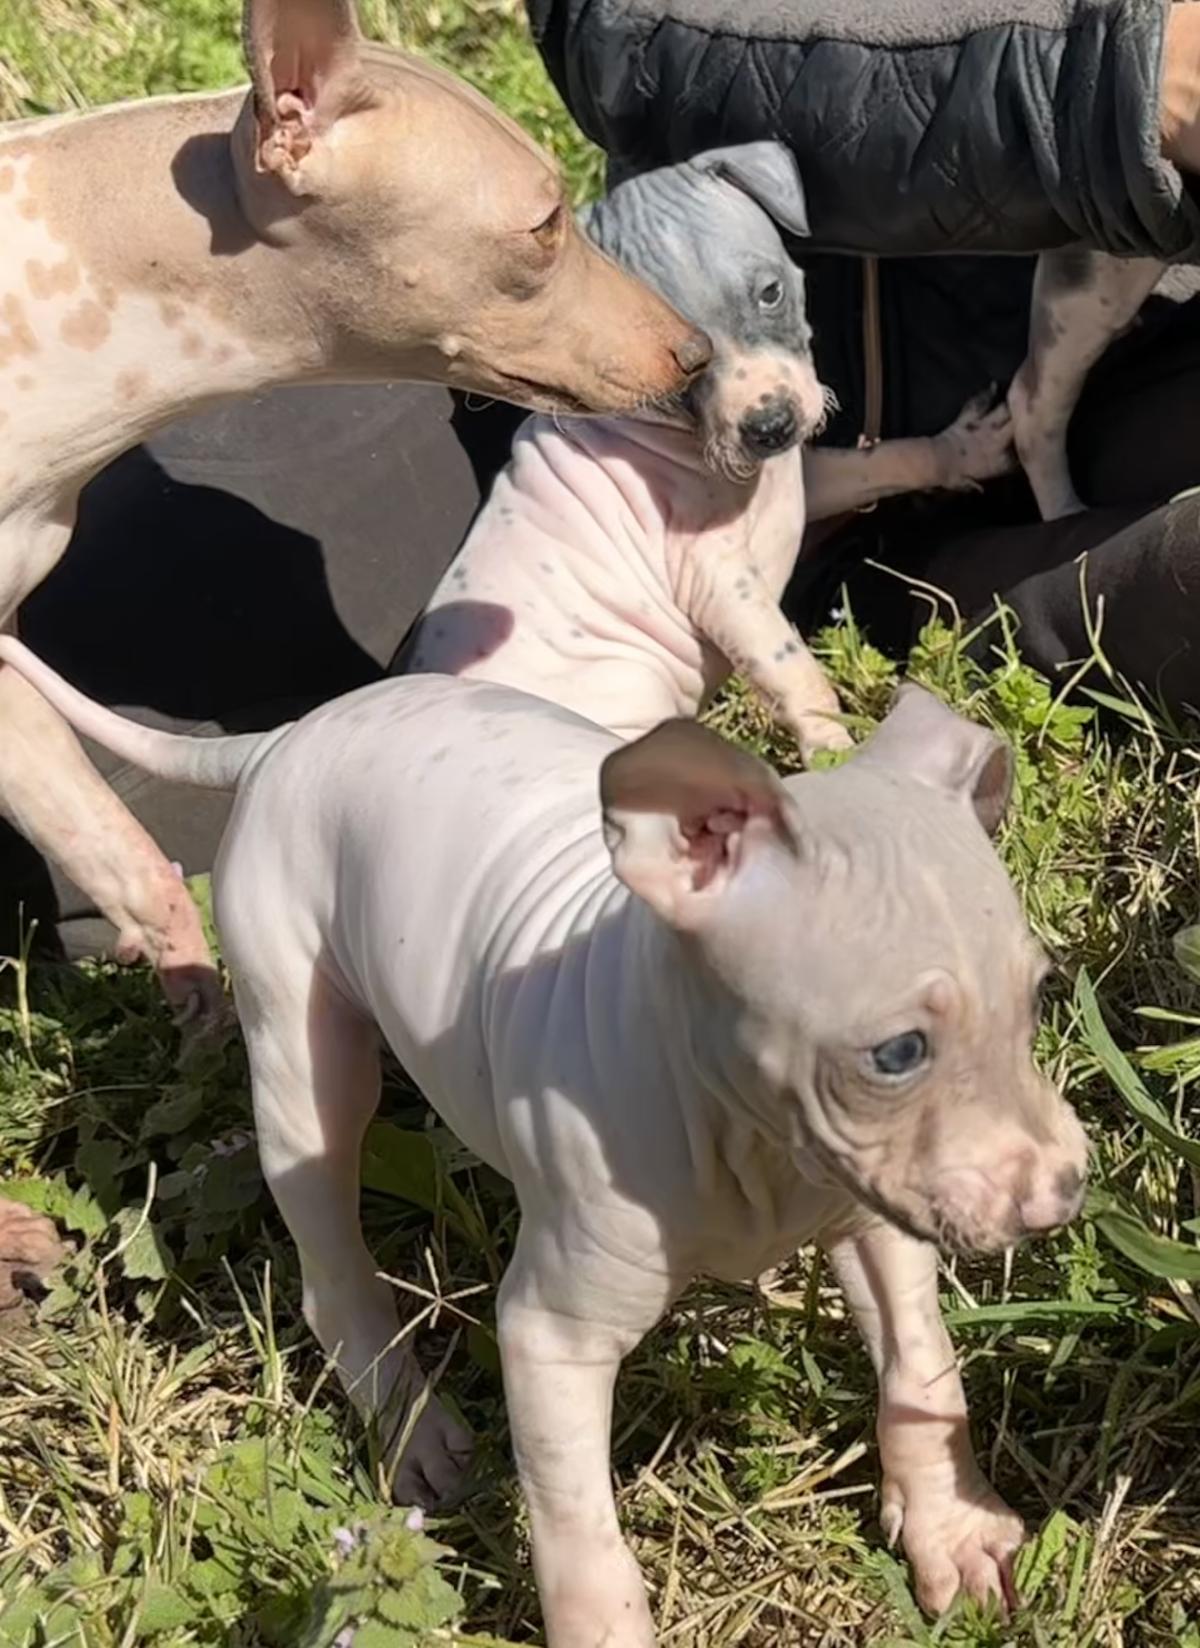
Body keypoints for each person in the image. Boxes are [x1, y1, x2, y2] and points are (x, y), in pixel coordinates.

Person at [10, 0, 1200, 962]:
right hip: (672, 364)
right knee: (213, 754)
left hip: (1090, 336)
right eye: (543, 232)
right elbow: (620, 31)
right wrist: (1127, 82)